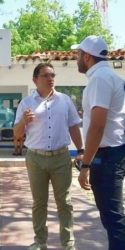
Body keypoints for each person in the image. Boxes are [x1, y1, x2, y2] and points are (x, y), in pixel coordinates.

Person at [13, 62, 83, 250]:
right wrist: (23, 121)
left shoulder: (65, 100)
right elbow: (17, 134)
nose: (51, 79)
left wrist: (81, 151)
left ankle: (68, 244)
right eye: (46, 75)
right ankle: (40, 241)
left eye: (53, 75)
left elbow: (74, 126)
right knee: (39, 203)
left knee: (65, 203)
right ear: (35, 80)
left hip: (61, 157)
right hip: (36, 159)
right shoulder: (27, 103)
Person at [72, 35, 125, 249]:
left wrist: (86, 164)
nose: (76, 58)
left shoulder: (99, 79)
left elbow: (97, 125)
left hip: (108, 156)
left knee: (114, 220)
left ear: (86, 56)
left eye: (77, 54)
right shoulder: (111, 77)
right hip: (114, 152)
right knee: (112, 218)